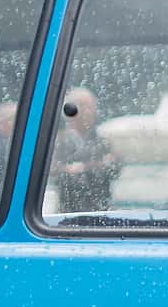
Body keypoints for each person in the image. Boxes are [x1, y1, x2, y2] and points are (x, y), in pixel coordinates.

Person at [49, 86, 117, 214]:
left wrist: (82, 167)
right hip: (69, 211)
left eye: (92, 107)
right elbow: (54, 172)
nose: (91, 112)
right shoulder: (59, 141)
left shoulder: (101, 140)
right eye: (86, 107)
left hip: (101, 210)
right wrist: (97, 165)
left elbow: (114, 168)